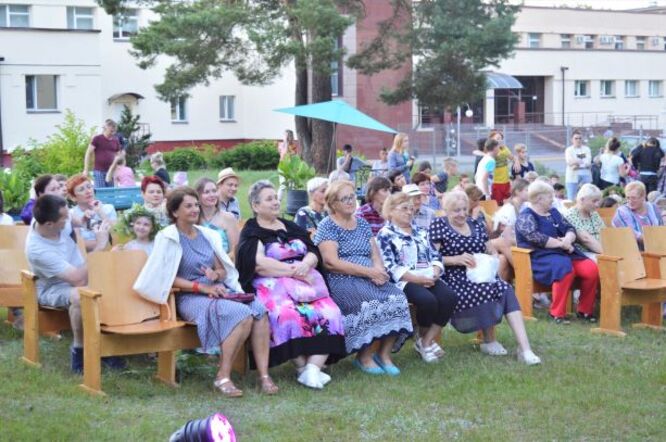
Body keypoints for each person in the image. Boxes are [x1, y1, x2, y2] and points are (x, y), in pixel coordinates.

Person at [133, 188, 278, 398]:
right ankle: (223, 376)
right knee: (242, 315)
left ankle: (264, 376)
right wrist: (201, 287)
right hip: (189, 296)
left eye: (196, 205)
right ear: (175, 212)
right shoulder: (168, 237)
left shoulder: (207, 234)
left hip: (216, 290)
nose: (195, 209)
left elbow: (222, 269)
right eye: (188, 206)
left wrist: (215, 274)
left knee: (259, 311)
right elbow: (165, 277)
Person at [236, 181, 346, 389]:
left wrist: (306, 264)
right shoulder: (252, 231)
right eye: (269, 199)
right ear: (255, 206)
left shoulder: (291, 226)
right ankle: (303, 368)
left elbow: (313, 251)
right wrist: (293, 271)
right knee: (286, 315)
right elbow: (258, 264)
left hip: (307, 282)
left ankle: (311, 369)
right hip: (273, 284)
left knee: (331, 313)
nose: (276, 202)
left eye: (276, 198)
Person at [429, 191, 541, 365]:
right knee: (485, 289)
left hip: (479, 273)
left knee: (505, 288)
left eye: (464, 209)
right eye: (456, 210)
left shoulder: (475, 224)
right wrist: (455, 259)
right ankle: (489, 340)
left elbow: (491, 250)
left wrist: (492, 259)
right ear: (447, 210)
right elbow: (431, 257)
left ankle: (525, 348)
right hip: (453, 277)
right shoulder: (439, 224)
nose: (461, 214)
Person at [315, 180, 413, 376]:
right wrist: (369, 272)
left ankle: (383, 355)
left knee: (398, 298)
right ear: (333, 203)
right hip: (343, 279)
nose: (351, 201)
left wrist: (379, 271)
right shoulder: (327, 225)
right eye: (344, 198)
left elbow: (374, 253)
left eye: (352, 196)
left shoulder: (361, 223)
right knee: (369, 301)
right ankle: (364, 356)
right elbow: (331, 263)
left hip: (370, 276)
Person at [26, 194, 115, 373]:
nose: (68, 220)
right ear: (49, 224)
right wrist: (99, 246)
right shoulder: (37, 250)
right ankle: (79, 349)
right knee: (81, 294)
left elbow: (73, 219)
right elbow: (78, 279)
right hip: (54, 288)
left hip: (82, 274)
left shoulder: (52, 218)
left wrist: (83, 221)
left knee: (115, 279)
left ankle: (111, 344)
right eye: (64, 218)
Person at [377, 193, 456, 363]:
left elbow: (435, 255)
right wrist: (416, 279)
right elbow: (389, 266)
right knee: (428, 301)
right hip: (404, 280)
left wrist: (435, 271)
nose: (409, 212)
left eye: (411, 208)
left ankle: (425, 341)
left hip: (428, 275)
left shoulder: (421, 231)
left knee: (449, 297)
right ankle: (424, 341)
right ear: (391, 211)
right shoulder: (385, 234)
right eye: (404, 208)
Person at [515, 181, 599, 324]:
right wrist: (562, 244)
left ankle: (585, 310)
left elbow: (570, 228)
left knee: (591, 269)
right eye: (549, 196)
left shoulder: (553, 212)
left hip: (565, 252)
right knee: (564, 268)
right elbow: (536, 237)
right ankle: (557, 313)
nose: (552, 199)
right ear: (539, 198)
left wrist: (567, 239)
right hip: (541, 256)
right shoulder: (526, 216)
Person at [67, 174, 117, 252]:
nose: (88, 191)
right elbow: (78, 243)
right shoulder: (72, 214)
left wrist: (101, 213)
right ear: (73, 197)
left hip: (111, 253)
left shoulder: (108, 208)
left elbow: (116, 234)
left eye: (89, 187)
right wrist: (102, 243)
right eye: (81, 189)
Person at [611, 181, 663, 250]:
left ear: (643, 196)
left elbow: (661, 227)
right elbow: (630, 234)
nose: (630, 201)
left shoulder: (653, 207)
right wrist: (655, 240)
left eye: (633, 198)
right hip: (632, 251)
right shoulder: (622, 211)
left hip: (657, 247)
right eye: (628, 198)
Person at [195, 178, 239, 256]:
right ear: (198, 196)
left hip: (225, 261)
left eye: (214, 191)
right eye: (207, 192)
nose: (212, 195)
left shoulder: (229, 218)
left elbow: (235, 251)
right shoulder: (193, 219)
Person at [564, 184, 604, 257]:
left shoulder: (594, 213)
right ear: (582, 200)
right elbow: (585, 239)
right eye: (594, 201)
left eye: (598, 201)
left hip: (601, 250)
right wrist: (609, 252)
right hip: (583, 254)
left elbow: (604, 232)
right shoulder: (570, 215)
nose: (597, 205)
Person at [83, 119, 122, 188]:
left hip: (111, 172)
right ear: (105, 128)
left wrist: (117, 169)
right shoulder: (97, 139)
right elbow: (88, 153)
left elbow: (119, 156)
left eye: (114, 131)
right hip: (99, 171)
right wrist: (86, 169)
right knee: (101, 192)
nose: (113, 133)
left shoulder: (116, 141)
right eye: (111, 131)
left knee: (110, 192)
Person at [564, 130, 592, 200]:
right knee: (571, 198)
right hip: (572, 177)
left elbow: (588, 162)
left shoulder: (586, 149)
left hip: (586, 176)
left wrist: (576, 164)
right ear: (572, 140)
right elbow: (569, 162)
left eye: (580, 138)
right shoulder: (569, 150)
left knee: (587, 197)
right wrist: (582, 162)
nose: (578, 140)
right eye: (576, 138)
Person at [489, 130, 512, 205]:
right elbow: (488, 167)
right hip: (496, 182)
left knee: (507, 203)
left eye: (501, 138)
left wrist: (516, 161)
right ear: (492, 140)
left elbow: (511, 157)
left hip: (506, 181)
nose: (500, 140)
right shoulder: (491, 151)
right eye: (498, 138)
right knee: (497, 204)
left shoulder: (504, 148)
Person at [277, 129, 298, 202]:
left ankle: (292, 201)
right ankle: (278, 201)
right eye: (284, 135)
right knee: (283, 185)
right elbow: (284, 154)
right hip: (283, 167)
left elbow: (294, 157)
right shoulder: (281, 145)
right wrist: (286, 143)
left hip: (291, 167)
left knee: (292, 185)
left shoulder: (293, 146)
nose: (284, 137)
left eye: (285, 135)